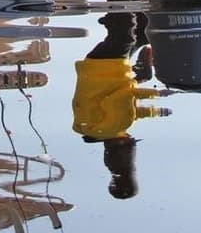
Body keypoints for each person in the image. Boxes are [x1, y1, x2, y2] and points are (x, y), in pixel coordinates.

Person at [71, 11, 170, 200]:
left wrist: (156, 94)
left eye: (131, 140)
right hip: (103, 70)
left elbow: (121, 98)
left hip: (106, 68)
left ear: (124, 142)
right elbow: (131, 111)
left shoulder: (117, 126)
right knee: (142, 33)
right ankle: (139, 8)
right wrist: (157, 112)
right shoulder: (101, 128)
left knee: (124, 36)